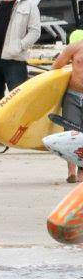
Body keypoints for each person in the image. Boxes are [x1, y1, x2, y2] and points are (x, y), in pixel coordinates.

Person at [51, 42, 83, 183]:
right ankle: (71, 171)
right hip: (73, 94)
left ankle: (81, 171)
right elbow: (56, 67)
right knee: (70, 133)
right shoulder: (75, 47)